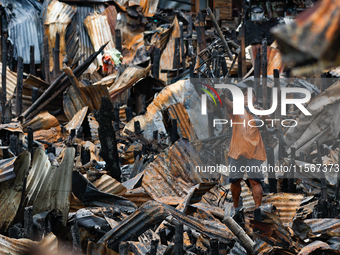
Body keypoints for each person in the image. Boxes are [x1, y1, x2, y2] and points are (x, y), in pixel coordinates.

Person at [223, 86, 270, 211]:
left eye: (249, 95)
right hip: (237, 151)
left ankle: (257, 209)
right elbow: (226, 102)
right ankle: (236, 207)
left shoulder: (258, 112)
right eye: (244, 95)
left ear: (254, 98)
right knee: (235, 181)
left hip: (255, 152)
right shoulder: (236, 109)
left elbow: (268, 121)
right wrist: (222, 95)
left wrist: (263, 114)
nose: (246, 97)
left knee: (254, 181)